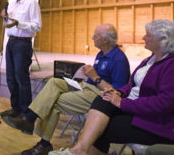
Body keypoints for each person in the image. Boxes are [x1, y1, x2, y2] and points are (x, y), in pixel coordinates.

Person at [49, 19, 174, 155]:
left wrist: (123, 103)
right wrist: (119, 92)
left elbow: (164, 103)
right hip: (134, 107)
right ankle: (79, 150)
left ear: (163, 39)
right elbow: (131, 86)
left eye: (148, 35)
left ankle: (79, 150)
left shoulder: (170, 65)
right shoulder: (149, 60)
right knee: (102, 99)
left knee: (103, 127)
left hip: (155, 121)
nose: (143, 37)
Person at [2, 23, 130, 155]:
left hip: (99, 95)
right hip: (85, 87)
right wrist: (88, 74)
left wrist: (95, 77)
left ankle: (43, 143)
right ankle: (29, 119)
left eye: (95, 36)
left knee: (54, 101)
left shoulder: (119, 60)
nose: (92, 38)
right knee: (53, 82)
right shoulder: (101, 54)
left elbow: (116, 93)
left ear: (105, 40)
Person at [0, 0, 42, 117]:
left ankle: (25, 111)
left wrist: (18, 23)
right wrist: (5, 19)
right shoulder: (11, 4)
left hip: (22, 44)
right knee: (10, 78)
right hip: (11, 42)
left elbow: (37, 26)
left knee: (21, 77)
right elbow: (7, 25)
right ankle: (16, 108)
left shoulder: (31, 3)